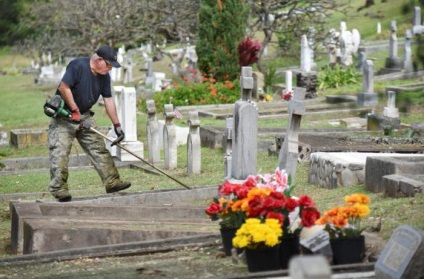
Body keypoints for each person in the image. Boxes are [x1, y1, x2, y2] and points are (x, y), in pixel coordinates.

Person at [47, 45, 131, 202]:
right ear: (99, 60)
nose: (110, 69)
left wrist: (117, 126)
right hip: (63, 116)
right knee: (60, 152)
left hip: (84, 115)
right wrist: (74, 111)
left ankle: (112, 182)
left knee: (99, 148)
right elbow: (64, 88)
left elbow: (108, 99)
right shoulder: (77, 65)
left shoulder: (104, 76)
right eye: (108, 65)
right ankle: (59, 189)